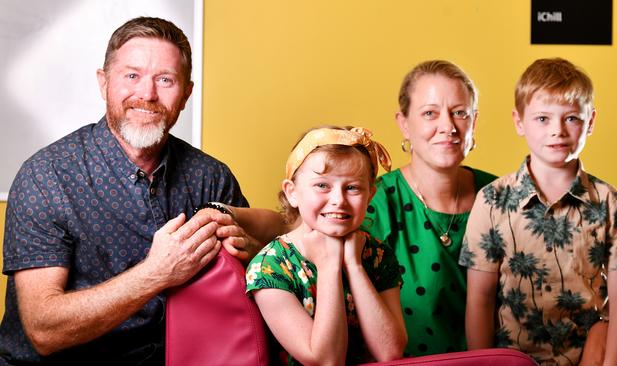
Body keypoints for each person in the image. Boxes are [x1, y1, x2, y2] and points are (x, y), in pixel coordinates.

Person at [0, 17, 280, 365]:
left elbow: (257, 282)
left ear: (186, 93)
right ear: (103, 83)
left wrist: (254, 257)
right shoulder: (46, 177)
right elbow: (43, 330)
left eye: (165, 80)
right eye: (131, 76)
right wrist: (158, 271)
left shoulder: (211, 177)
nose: (147, 94)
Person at [461, 58, 617, 365]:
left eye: (571, 118)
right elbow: (480, 299)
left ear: (591, 122)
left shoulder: (611, 203)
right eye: (543, 119)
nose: (558, 131)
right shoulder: (492, 201)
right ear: (519, 122)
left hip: (588, 356)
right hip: (512, 358)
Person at [361, 60, 496, 356]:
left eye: (459, 113)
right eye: (430, 113)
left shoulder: (501, 196)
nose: (447, 126)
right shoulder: (374, 203)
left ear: (473, 121)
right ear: (404, 124)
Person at [245, 126, 407, 365]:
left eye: (352, 188)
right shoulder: (270, 267)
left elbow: (390, 352)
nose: (338, 200)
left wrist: (354, 266)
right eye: (322, 186)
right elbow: (326, 361)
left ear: (370, 196)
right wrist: (329, 264)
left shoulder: (377, 254)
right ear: (293, 193)